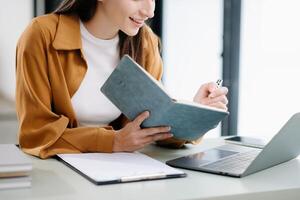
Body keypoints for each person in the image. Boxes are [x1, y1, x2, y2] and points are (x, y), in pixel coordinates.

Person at [16, 0, 228, 159]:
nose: (149, 10)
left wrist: (194, 114)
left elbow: (151, 126)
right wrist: (113, 141)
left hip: (119, 171)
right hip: (58, 176)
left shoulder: (145, 43)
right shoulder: (41, 35)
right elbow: (36, 134)